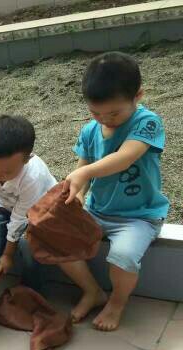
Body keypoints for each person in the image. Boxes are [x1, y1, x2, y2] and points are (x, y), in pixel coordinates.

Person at [60, 52, 169, 332]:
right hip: (97, 211)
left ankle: (117, 303)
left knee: (122, 257)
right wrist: (78, 196)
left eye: (114, 113)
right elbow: (82, 170)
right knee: (57, 240)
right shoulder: (90, 130)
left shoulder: (147, 122)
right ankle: (92, 291)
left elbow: (124, 158)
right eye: (96, 113)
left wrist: (84, 173)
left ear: (138, 96)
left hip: (139, 216)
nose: (105, 120)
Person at [0, 115, 56, 287]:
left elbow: (20, 219)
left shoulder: (33, 176)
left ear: (27, 159)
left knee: (29, 247)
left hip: (40, 213)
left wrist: (8, 254)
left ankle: (31, 290)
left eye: (7, 172)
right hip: (7, 206)